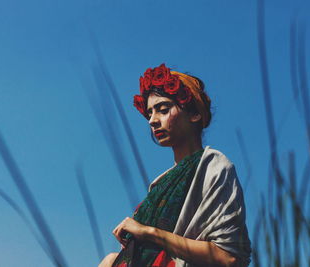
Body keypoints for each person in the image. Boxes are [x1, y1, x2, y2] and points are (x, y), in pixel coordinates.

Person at [99, 64, 251, 267]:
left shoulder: (213, 166)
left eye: (163, 110)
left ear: (194, 114)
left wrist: (150, 233)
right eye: (150, 113)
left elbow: (229, 256)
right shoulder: (158, 184)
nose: (152, 120)